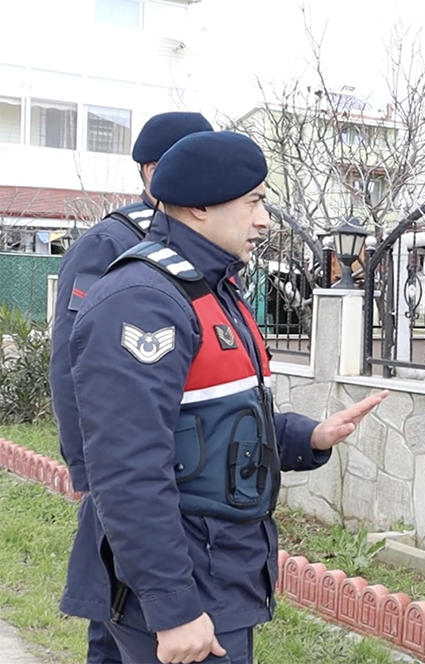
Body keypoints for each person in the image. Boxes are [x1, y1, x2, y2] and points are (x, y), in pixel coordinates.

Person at [57, 130, 388, 664]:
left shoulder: (212, 290)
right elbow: (128, 468)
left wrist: (308, 435)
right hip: (185, 584)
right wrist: (173, 608)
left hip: (220, 571)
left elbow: (220, 419)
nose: (265, 220)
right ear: (201, 207)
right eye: (254, 201)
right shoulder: (144, 301)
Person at [48, 110, 213, 664]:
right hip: (119, 467)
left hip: (175, 467)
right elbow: (72, 363)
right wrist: (89, 472)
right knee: (116, 613)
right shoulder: (111, 243)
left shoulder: (197, 242)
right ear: (152, 170)